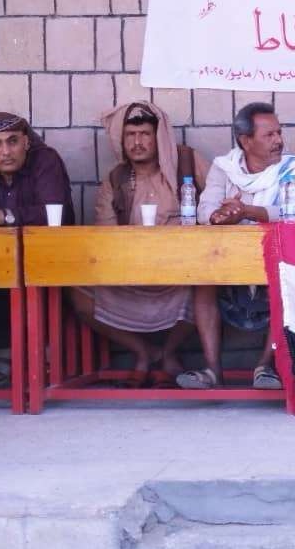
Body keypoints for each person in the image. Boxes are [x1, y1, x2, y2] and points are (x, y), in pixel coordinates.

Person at [177, 102, 295, 391]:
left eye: (279, 133)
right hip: (230, 265)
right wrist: (221, 215)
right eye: (269, 135)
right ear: (245, 141)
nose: (278, 140)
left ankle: (266, 366)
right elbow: (204, 210)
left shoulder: (293, 170)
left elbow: (287, 212)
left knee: (288, 278)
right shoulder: (224, 168)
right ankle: (213, 371)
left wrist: (245, 212)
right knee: (203, 277)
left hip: (277, 263)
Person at [70, 102, 210, 385]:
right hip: (131, 271)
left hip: (183, 270)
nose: (137, 142)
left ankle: (169, 353)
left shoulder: (187, 162)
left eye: (145, 134)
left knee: (208, 285)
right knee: (78, 293)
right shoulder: (116, 180)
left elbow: (216, 203)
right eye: (130, 135)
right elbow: (105, 235)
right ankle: (144, 352)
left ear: (159, 137)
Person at [0, 112, 74, 363]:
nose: (6, 151)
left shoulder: (45, 159)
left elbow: (55, 213)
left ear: (26, 142)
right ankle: (9, 351)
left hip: (50, 262)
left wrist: (3, 216)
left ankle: (34, 355)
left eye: (13, 141)